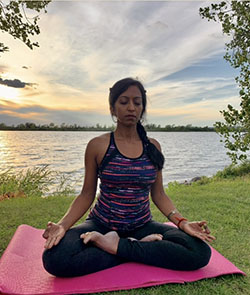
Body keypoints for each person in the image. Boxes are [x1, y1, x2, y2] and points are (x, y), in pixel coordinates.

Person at [42, 77, 215, 277]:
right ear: (113, 109)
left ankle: (115, 247)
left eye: (137, 102)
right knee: (55, 258)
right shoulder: (98, 145)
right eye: (124, 102)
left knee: (199, 252)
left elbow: (159, 194)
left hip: (142, 225)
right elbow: (86, 194)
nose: (131, 107)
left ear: (142, 108)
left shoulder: (153, 147)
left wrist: (183, 222)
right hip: (101, 224)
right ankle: (136, 248)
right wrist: (62, 226)